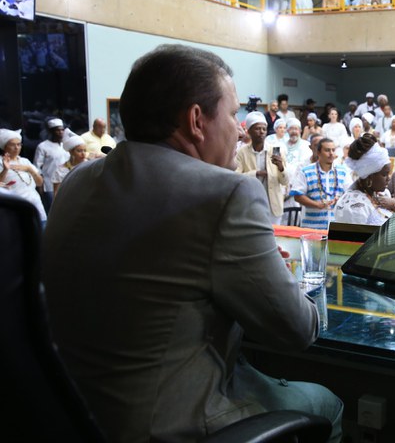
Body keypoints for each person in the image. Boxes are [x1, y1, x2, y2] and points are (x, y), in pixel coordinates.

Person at [41, 44, 343, 442]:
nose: (240, 129)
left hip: (70, 413)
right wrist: (278, 275)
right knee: (327, 403)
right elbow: (297, 330)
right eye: (233, 114)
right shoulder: (226, 193)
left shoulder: (79, 180)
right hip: (166, 423)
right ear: (196, 120)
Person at [235, 111, 288, 225]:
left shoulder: (276, 150)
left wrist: (281, 167)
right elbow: (235, 177)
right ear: (249, 131)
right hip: (250, 204)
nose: (262, 132)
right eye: (257, 129)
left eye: (264, 129)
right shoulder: (241, 152)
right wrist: (256, 173)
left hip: (273, 206)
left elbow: (285, 181)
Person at [334, 133, 395, 225]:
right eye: (384, 174)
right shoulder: (353, 207)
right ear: (370, 176)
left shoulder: (382, 194)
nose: (389, 178)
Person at [290, 137, 350, 230]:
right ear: (318, 152)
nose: (331, 153)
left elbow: (350, 194)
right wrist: (317, 205)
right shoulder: (306, 171)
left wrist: (340, 200)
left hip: (336, 227)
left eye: (333, 150)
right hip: (312, 227)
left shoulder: (343, 171)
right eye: (327, 150)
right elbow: (297, 195)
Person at [0, 128, 45, 223]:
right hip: (16, 208)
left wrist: (29, 169)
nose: (16, 148)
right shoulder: (1, 162)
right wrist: (5, 170)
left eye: (19, 144)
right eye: (12, 145)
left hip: (36, 205)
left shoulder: (25, 161)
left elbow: (39, 183)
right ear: (4, 146)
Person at [34, 117, 70, 213]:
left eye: (62, 130)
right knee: (53, 210)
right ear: (51, 131)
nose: (60, 132)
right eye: (57, 130)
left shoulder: (66, 145)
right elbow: (37, 167)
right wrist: (40, 186)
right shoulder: (43, 146)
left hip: (66, 182)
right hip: (49, 184)